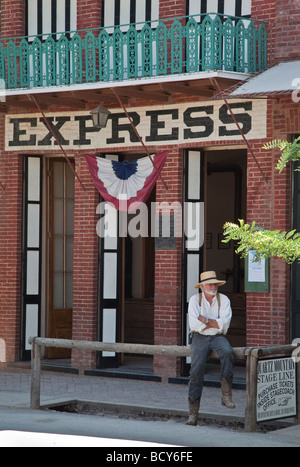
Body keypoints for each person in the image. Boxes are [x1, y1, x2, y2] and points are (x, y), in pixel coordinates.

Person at [186, 271, 235, 426]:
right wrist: (214, 322)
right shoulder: (195, 300)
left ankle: (226, 395)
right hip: (199, 336)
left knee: (228, 352)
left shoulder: (224, 299)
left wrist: (205, 320)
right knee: (196, 371)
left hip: (217, 336)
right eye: (210, 284)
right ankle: (193, 413)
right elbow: (193, 324)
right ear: (202, 286)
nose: (213, 286)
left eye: (215, 284)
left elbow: (225, 324)